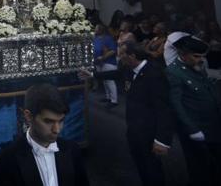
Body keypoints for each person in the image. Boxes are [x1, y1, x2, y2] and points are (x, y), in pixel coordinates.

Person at [80, 41, 173, 185]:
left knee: (152, 167)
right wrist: (92, 75)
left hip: (149, 131)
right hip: (134, 128)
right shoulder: (129, 69)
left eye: (122, 53)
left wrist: (162, 139)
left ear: (132, 56)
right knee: (141, 164)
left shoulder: (154, 74)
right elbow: (115, 74)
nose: (119, 56)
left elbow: (164, 108)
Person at [0, 83, 89, 186]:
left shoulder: (72, 149)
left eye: (61, 121)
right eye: (48, 122)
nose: (57, 130)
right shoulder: (8, 158)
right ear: (28, 116)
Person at [166, 35, 221, 186]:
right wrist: (193, 130)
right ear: (183, 55)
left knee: (216, 166)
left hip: (213, 126)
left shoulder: (196, 66)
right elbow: (176, 104)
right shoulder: (173, 72)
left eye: (202, 56)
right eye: (196, 56)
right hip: (196, 129)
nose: (200, 59)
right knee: (199, 168)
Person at [93, 24, 119, 108]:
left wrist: (103, 57)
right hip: (98, 62)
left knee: (109, 80)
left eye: (96, 28)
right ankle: (108, 97)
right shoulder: (96, 38)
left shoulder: (108, 38)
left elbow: (113, 50)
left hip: (108, 62)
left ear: (101, 30)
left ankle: (114, 100)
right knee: (104, 80)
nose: (95, 30)